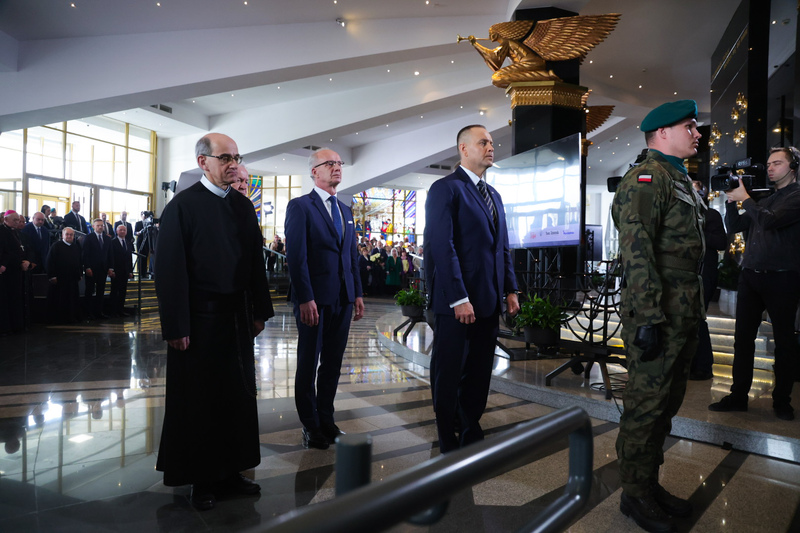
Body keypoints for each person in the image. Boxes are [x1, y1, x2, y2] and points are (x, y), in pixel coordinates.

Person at [155, 132, 273, 511]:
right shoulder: (182, 206)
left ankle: (232, 471)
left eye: (236, 157)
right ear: (203, 162)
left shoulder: (243, 206)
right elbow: (169, 271)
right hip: (199, 321)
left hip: (236, 319)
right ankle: (202, 478)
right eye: (225, 158)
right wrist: (176, 326)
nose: (233, 165)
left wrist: (259, 311)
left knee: (236, 399)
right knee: (201, 402)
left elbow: (255, 263)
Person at [612, 100, 705, 533]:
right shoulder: (646, 178)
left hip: (682, 309)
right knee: (646, 406)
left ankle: (648, 483)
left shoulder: (678, 178)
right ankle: (634, 494)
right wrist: (648, 316)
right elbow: (637, 250)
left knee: (665, 405)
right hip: (658, 312)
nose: (698, 134)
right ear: (663, 132)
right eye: (690, 126)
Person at [424, 124, 519, 454]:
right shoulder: (445, 189)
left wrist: (510, 289)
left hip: (488, 301)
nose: (491, 147)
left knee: (479, 372)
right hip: (457, 303)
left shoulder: (494, 196)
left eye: (491, 143)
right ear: (464, 149)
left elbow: (502, 247)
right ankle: (447, 437)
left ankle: (469, 427)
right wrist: (458, 298)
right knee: (449, 371)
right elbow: (442, 245)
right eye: (483, 142)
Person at [708, 146, 800, 421]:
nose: (770, 168)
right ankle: (738, 397)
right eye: (769, 163)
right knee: (742, 340)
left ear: (793, 167)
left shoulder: (796, 196)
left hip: (782, 277)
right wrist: (730, 200)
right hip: (750, 276)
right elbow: (735, 226)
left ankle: (782, 401)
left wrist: (746, 198)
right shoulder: (766, 199)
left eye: (777, 163)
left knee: (784, 342)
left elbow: (770, 222)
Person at [285, 148, 364, 450]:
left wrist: (357, 292)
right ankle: (310, 424)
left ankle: (327, 419)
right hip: (314, 301)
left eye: (339, 163)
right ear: (314, 171)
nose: (336, 167)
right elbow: (297, 257)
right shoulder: (300, 207)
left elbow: (351, 256)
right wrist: (305, 297)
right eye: (329, 163)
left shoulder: (345, 210)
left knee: (332, 363)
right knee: (308, 363)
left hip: (343, 299)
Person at [689, 181, 727, 381]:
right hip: (685, 272)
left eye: (696, 191)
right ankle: (689, 363)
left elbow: (721, 242)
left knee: (698, 317)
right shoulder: (680, 214)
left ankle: (703, 366)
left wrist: (697, 229)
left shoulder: (711, 215)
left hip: (705, 272)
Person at [0, 211, 32, 335]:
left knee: (16, 299)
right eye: (14, 220)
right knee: (6, 300)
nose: (17, 222)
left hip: (17, 271)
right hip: (7, 272)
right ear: (5, 219)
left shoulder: (17, 232)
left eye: (18, 220)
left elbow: (23, 249)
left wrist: (26, 261)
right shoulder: (2, 231)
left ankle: (17, 325)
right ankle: (6, 327)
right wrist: (19, 262)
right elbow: (6, 252)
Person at [46, 227, 83, 324]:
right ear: (62, 235)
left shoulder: (75, 247)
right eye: (67, 234)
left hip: (73, 279)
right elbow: (50, 262)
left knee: (72, 299)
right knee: (61, 299)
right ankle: (61, 319)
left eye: (71, 234)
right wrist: (52, 276)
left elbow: (79, 261)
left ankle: (72, 317)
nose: (69, 236)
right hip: (60, 279)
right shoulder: (56, 246)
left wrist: (80, 273)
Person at [82, 219, 115, 319]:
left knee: (100, 291)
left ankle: (99, 312)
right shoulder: (88, 238)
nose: (100, 227)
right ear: (93, 226)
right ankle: (88, 313)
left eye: (101, 225)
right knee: (89, 291)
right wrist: (87, 267)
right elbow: (85, 254)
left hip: (103, 269)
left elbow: (110, 254)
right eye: (98, 225)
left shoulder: (107, 239)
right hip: (92, 269)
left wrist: (110, 268)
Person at [109, 224, 133, 317]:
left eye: (124, 230)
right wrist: (111, 269)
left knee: (123, 291)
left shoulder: (128, 242)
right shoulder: (113, 242)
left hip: (125, 271)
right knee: (115, 291)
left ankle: (121, 310)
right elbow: (111, 256)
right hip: (116, 270)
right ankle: (113, 311)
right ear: (117, 231)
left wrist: (130, 271)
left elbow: (129, 258)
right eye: (121, 230)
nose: (122, 231)